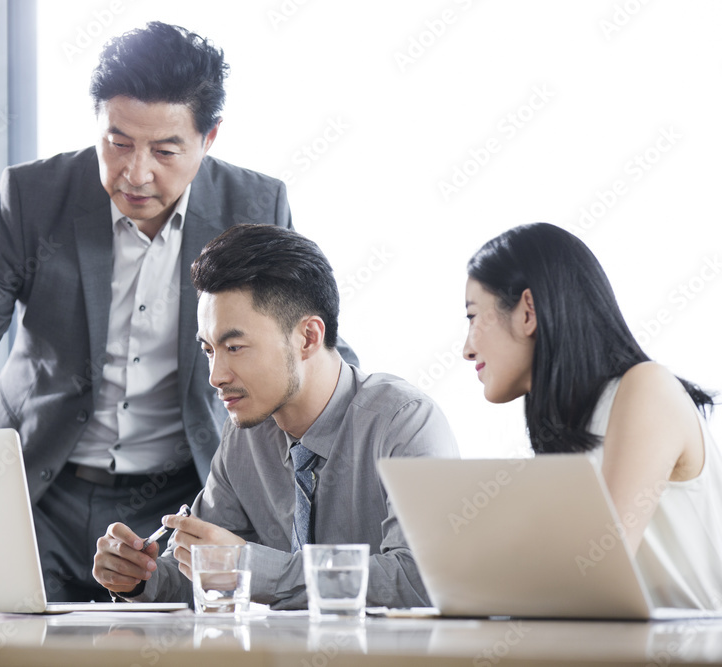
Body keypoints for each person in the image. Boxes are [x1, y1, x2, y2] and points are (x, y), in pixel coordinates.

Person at [0, 22, 356, 604]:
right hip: (35, 491)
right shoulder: (33, 198)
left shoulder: (253, 205)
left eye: (166, 150)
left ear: (209, 138)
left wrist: (361, 444)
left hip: (177, 496)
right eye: (117, 142)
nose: (137, 172)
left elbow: (306, 346)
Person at [93, 224, 458, 609]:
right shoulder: (246, 433)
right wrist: (139, 578)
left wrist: (255, 567)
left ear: (308, 338)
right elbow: (204, 574)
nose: (216, 376)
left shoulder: (404, 422)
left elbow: (421, 580)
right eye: (209, 350)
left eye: (234, 347)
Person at [462, 222, 721, 609]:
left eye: (472, 316)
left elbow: (595, 571)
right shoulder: (569, 424)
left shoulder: (646, 388)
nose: (467, 350)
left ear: (527, 312)